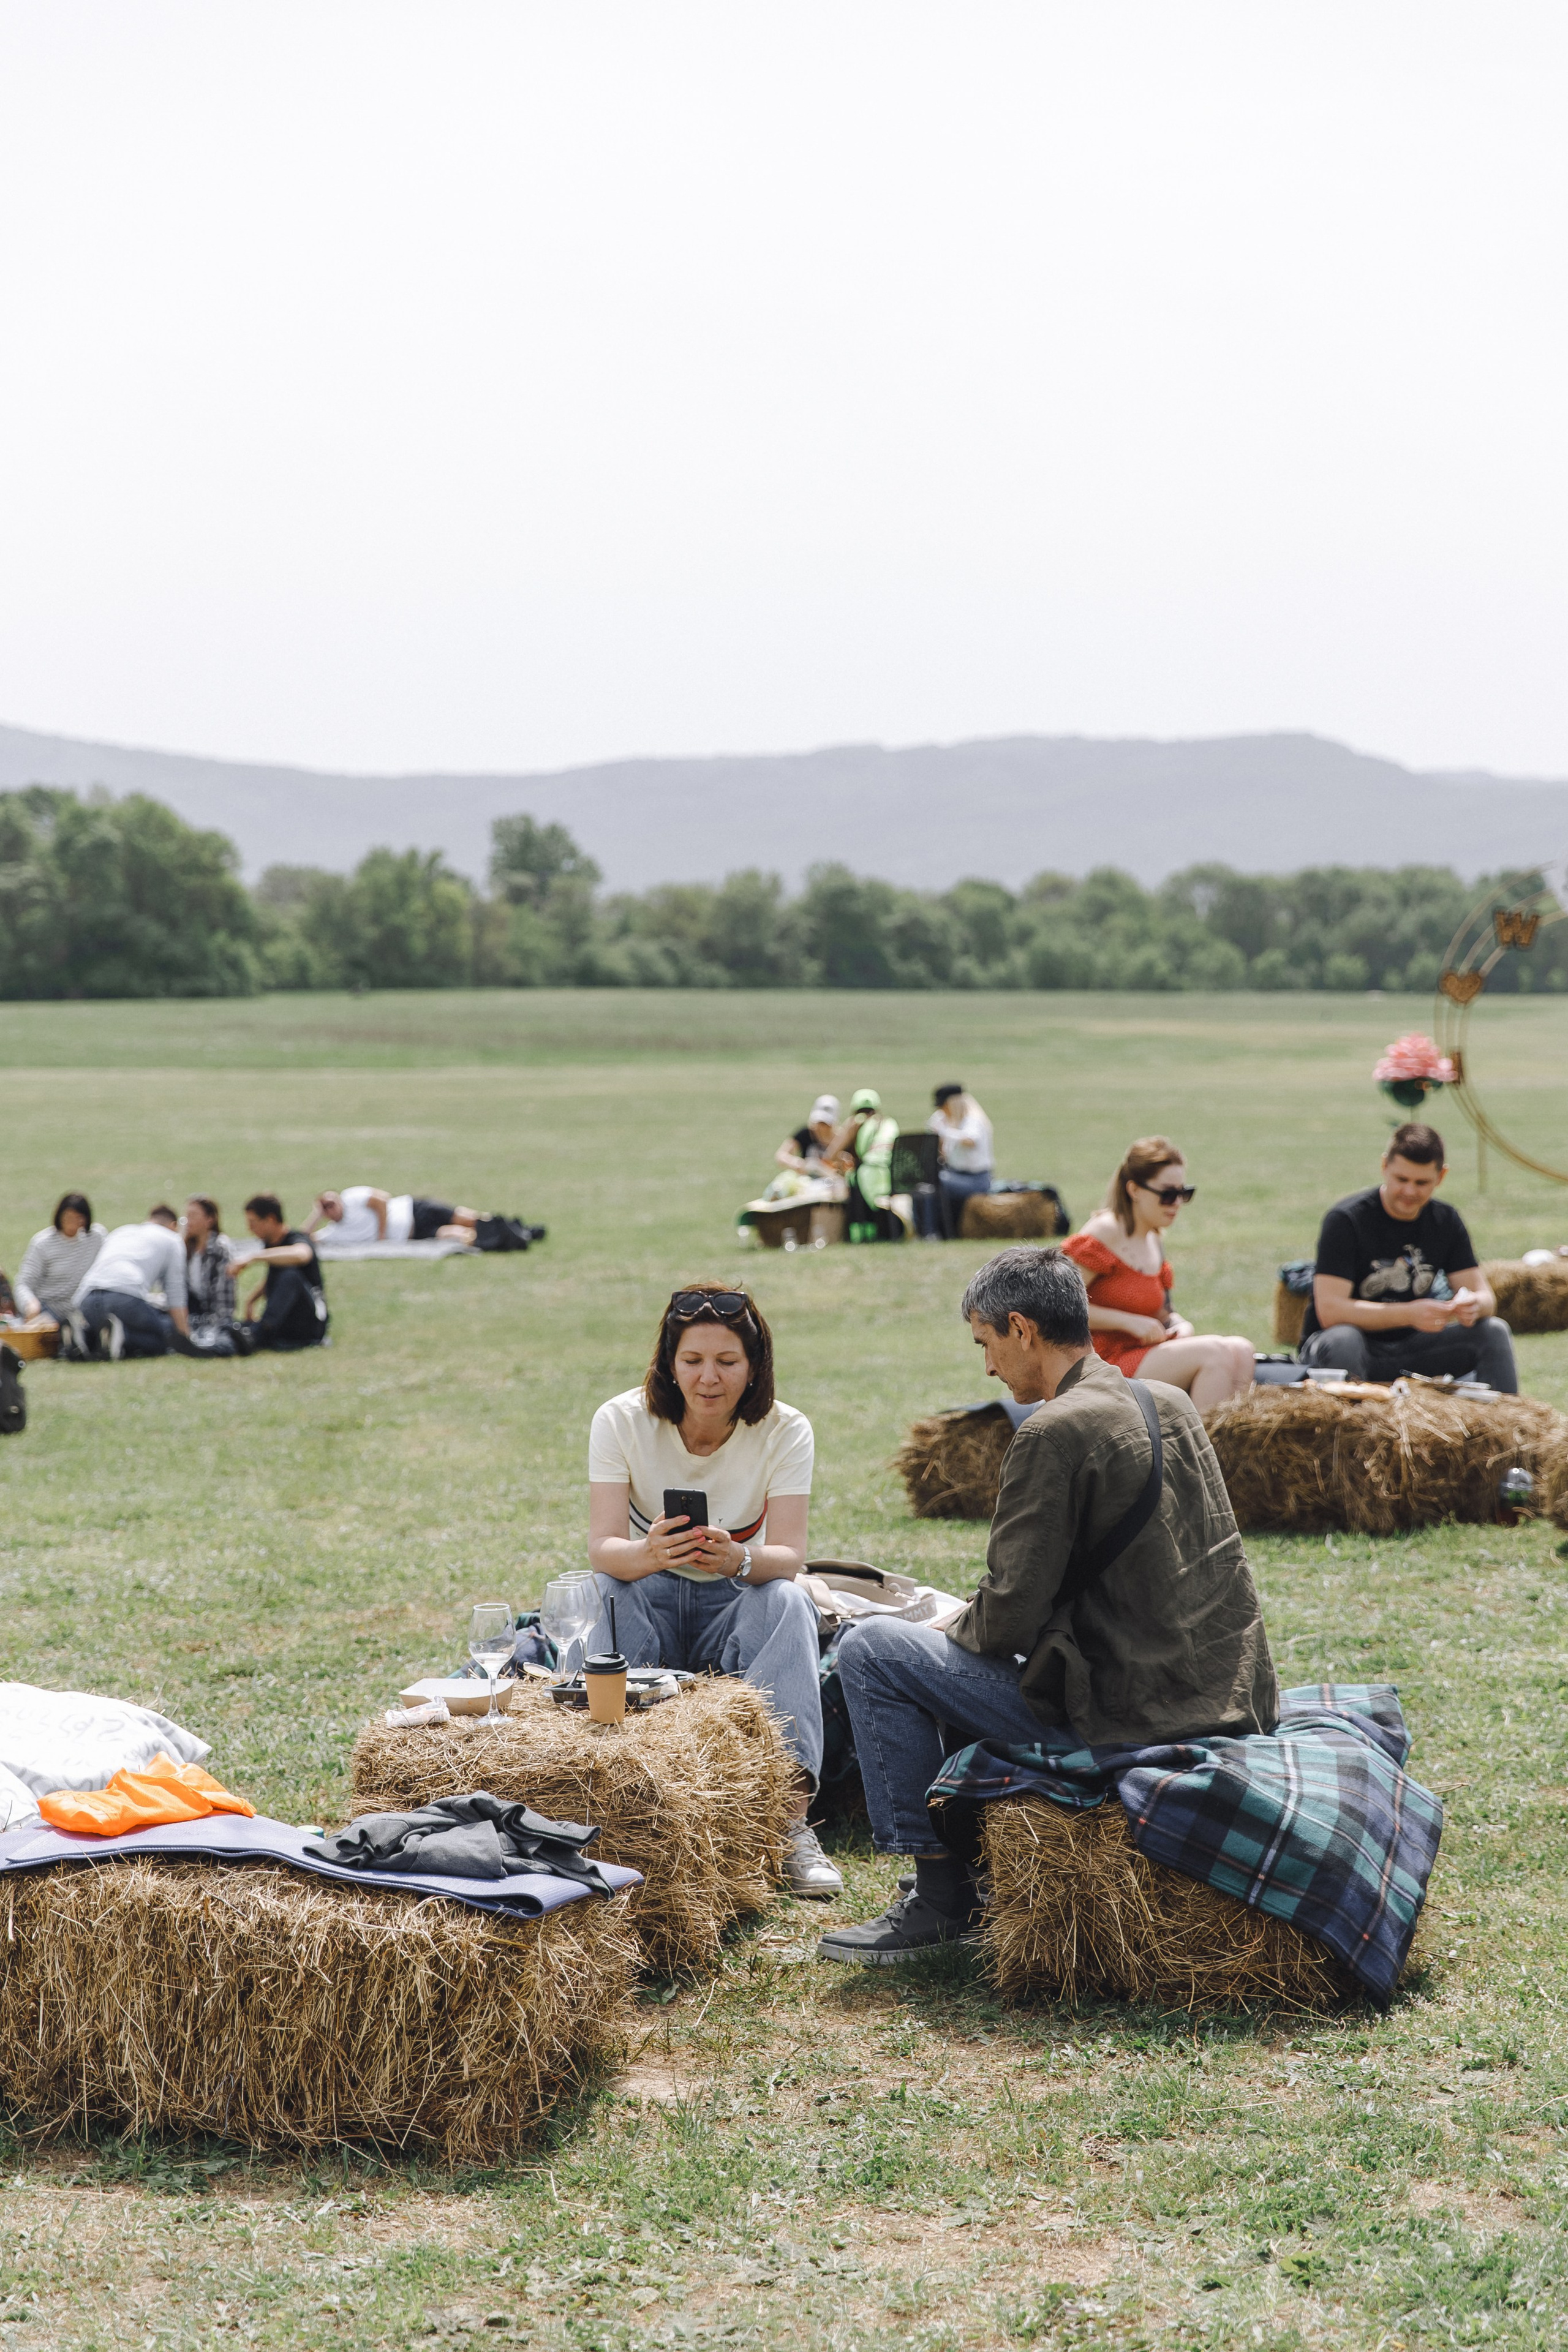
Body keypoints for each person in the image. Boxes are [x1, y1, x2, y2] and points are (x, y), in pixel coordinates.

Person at [818, 1246, 1278, 1965]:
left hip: (1128, 1714)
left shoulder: (1050, 1432)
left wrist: (951, 1622)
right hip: (1224, 1695)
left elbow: (1006, 1619)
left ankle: (940, 1900)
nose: (988, 1368)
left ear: (1021, 1328)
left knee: (872, 1650)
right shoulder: (1171, 1401)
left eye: (986, 1343)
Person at [586, 1281, 842, 1900]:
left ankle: (789, 1825)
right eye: (692, 1361)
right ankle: (597, 1806)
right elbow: (603, 1548)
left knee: (788, 1600)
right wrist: (647, 1555)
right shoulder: (621, 1419)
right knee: (602, 1589)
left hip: (735, 1603)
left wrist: (739, 1558)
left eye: (727, 1362)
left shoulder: (785, 1429)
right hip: (652, 1594)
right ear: (668, 1365)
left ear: (754, 1368)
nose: (708, 1378)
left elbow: (787, 1557)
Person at [1297, 1123, 1517, 1392]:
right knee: (1345, 1338)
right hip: (1343, 1349)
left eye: (1422, 1182)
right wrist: (1410, 1314)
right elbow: (1331, 1312)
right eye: (1402, 1180)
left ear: (1441, 1176)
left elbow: (1485, 1298)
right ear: (1384, 1167)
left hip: (1412, 1347)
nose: (1410, 1192)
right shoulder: (1346, 1220)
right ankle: (1353, 1429)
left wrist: (1471, 1304)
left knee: (1493, 1331)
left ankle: (1507, 1428)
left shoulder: (1445, 1220)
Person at [1061, 1136, 1254, 1410]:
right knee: (1216, 1354)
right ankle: (1201, 1451)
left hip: (1140, 1354)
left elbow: (1163, 1312)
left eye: (1183, 1193)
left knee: (1242, 1350)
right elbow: (1059, 1306)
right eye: (1167, 1194)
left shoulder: (1153, 1238)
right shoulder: (1104, 1231)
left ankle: (1230, 1447)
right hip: (1100, 1362)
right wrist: (1129, 1322)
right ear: (1135, 1190)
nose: (1176, 1203)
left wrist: (1179, 1323)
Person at [69, 1208, 195, 1360]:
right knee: (165, 1337)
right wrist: (184, 1335)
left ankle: (84, 1336)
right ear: (173, 1226)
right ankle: (122, 1339)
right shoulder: (173, 1239)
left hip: (88, 1298)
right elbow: (175, 1292)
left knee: (106, 1327)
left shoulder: (121, 1232)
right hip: (125, 1297)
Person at [231, 1196, 330, 1351]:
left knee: (291, 1276)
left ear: (270, 1219)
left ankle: (258, 1334)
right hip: (287, 1324)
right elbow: (274, 1278)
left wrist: (254, 1257)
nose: (250, 1229)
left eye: (253, 1223)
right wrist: (252, 1300)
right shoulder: (270, 1244)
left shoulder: (297, 1239)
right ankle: (258, 1332)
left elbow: (302, 1255)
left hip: (311, 1326)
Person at [15, 1194, 106, 1326]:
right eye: (68, 1217)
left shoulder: (97, 1238)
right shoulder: (43, 1243)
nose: (73, 1223)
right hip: (49, 1308)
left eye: (78, 1218)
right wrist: (30, 1304)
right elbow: (23, 1283)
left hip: (82, 1308)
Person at [922, 1082, 995, 1239]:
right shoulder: (943, 1120)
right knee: (925, 1182)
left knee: (936, 1181)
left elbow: (970, 1140)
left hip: (977, 1179)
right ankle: (923, 1229)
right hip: (954, 1174)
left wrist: (943, 1132)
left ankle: (930, 1232)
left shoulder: (973, 1120)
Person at [826, 1089, 901, 1240]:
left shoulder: (857, 1122)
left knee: (854, 1177)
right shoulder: (888, 1122)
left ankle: (861, 1235)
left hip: (868, 1175)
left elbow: (831, 1154)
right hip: (893, 1175)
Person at [307, 1187, 480, 1246]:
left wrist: (382, 1235)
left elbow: (382, 1199)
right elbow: (303, 1238)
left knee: (469, 1219)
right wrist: (316, 1214)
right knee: (455, 1234)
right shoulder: (334, 1232)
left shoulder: (351, 1198)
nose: (331, 1208)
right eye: (326, 1207)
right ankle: (492, 1238)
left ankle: (498, 1224)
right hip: (413, 1234)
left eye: (332, 1202)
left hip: (413, 1209)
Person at [183, 1197, 243, 1355]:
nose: (188, 1221)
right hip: (193, 1314)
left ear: (210, 1220)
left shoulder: (221, 1249)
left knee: (221, 1339)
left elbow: (224, 1305)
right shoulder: (185, 1249)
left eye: (193, 1216)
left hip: (215, 1318)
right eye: (186, 1216)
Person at [763, 1096, 842, 1200]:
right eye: (819, 1123)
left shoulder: (842, 1138)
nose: (821, 1127)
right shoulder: (805, 1134)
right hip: (804, 1181)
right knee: (784, 1182)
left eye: (825, 1124)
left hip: (829, 1184)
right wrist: (796, 1163)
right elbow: (781, 1155)